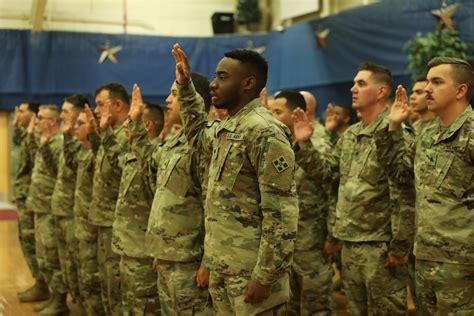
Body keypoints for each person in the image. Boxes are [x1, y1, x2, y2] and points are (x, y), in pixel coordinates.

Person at [173, 43, 299, 315]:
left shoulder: (265, 132)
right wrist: (184, 86)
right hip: (223, 269)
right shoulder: (227, 128)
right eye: (215, 77)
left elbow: (281, 214)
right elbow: (196, 135)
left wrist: (265, 275)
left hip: (250, 274)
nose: (213, 85)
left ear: (248, 83)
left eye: (222, 77)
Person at [292, 62, 414, 315]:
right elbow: (328, 174)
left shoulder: (396, 132)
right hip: (350, 242)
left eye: (361, 83)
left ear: (381, 92)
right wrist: (305, 146)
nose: (353, 88)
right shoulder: (351, 134)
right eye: (354, 83)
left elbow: (405, 192)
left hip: (380, 245)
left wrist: (400, 246)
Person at [383, 57, 474, 315]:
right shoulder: (427, 134)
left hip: (462, 263)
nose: (427, 89)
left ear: (460, 90)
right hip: (423, 256)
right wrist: (393, 128)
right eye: (427, 82)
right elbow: (400, 175)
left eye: (437, 82)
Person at [128, 72, 213, 315]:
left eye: (174, 94)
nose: (167, 99)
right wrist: (161, 250)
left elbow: (213, 206)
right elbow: (149, 164)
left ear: (190, 99)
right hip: (169, 256)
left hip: (190, 260)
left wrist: (208, 262)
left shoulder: (203, 145)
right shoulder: (175, 142)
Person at [270, 90, 333, 315]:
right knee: (289, 307)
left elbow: (332, 189)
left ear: (297, 114)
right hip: (286, 243)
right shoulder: (280, 145)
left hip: (311, 242)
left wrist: (332, 235)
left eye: (277, 112)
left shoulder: (317, 144)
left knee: (315, 307)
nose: (272, 116)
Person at [111, 102, 164, 315]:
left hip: (144, 250)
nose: (126, 126)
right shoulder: (132, 155)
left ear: (147, 125)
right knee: (130, 305)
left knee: (145, 307)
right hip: (128, 246)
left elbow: (160, 206)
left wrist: (158, 250)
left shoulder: (157, 158)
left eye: (131, 122)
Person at [89, 83, 130, 315]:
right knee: (107, 283)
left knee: (117, 287)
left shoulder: (129, 134)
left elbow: (123, 169)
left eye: (100, 104)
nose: (96, 110)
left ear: (117, 104)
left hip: (119, 225)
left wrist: (104, 134)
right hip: (104, 221)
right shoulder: (110, 134)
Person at [24, 105, 69, 315]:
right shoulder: (47, 141)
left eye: (40, 118)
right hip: (40, 207)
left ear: (51, 122)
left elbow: (57, 173)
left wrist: (44, 147)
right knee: (43, 257)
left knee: (53, 257)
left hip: (51, 210)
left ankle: (59, 302)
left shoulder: (59, 143)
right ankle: (52, 297)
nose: (37, 120)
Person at [46, 95, 88, 314]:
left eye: (66, 111)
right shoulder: (68, 139)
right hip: (61, 208)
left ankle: (80, 306)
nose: (62, 115)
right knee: (63, 262)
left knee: (77, 265)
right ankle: (63, 302)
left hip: (75, 213)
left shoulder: (83, 140)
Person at [70, 108, 106, 315]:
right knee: (83, 275)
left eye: (79, 123)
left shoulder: (96, 153)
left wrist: (95, 133)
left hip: (93, 225)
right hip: (81, 221)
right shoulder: (83, 152)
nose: (75, 126)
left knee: (93, 279)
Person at [13, 101, 48, 303]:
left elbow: (38, 165)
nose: (18, 112)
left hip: (32, 198)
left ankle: (42, 286)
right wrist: (19, 125)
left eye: (23, 111)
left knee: (33, 243)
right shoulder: (29, 134)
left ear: (33, 115)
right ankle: (39, 283)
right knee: (27, 242)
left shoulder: (37, 136)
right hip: (26, 196)